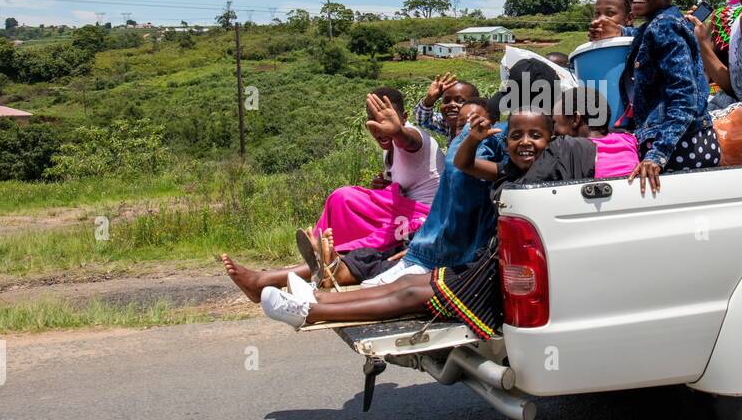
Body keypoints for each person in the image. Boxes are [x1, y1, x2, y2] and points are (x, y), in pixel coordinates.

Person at [254, 107, 596, 336]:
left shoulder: (546, 175)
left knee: (410, 293)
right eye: (516, 136)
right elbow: (463, 165)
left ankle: (311, 311)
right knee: (406, 286)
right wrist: (474, 139)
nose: (525, 143)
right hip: (487, 266)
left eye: (535, 136)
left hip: (494, 280)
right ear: (505, 143)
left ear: (551, 143)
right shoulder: (506, 171)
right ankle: (314, 300)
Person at [221, 98, 494, 299]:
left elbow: (412, 140)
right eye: (459, 125)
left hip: (425, 229)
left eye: (471, 124)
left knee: (376, 255)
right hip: (423, 230)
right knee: (359, 229)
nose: (464, 130)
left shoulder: (473, 157)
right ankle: (315, 265)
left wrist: (399, 132)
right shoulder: (458, 153)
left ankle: (314, 277)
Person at [619, 0, 719, 195]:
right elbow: (644, 36)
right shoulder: (659, 24)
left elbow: (684, 96)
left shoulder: (664, 27)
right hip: (683, 141)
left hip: (683, 146)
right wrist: (619, 30)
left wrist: (658, 154)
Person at [311, 88, 441, 251]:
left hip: (427, 218)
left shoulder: (415, 136)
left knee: (380, 236)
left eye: (387, 119)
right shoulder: (388, 150)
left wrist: (398, 132)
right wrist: (387, 186)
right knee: (342, 197)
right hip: (402, 211)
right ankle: (321, 245)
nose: (381, 127)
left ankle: (335, 254)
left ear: (404, 118)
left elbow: (408, 141)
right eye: (374, 120)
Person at [554, 86, 638, 178]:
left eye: (555, 123)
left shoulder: (565, 149)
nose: (553, 130)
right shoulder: (629, 139)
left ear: (575, 119)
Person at [414, 72, 479, 139]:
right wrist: (429, 99)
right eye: (446, 101)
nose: (451, 104)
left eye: (460, 101)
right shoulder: (448, 126)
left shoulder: (480, 132)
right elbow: (423, 120)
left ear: (476, 106)